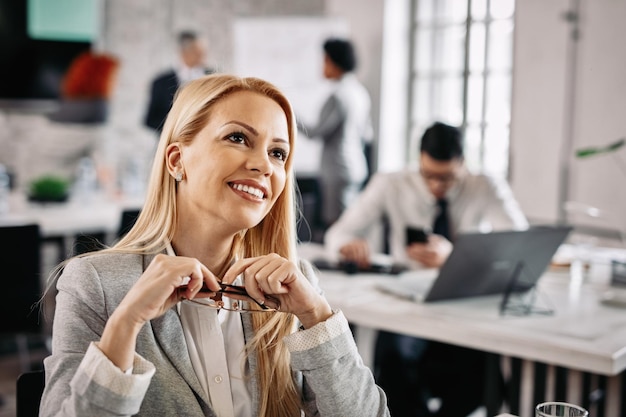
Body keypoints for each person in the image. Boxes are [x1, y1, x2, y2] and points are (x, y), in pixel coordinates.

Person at [40, 73, 390, 417]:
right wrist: (125, 323)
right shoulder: (94, 284)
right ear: (177, 160)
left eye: (278, 153)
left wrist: (316, 316)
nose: (263, 165)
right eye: (237, 137)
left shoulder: (297, 286)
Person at [324, 121, 529, 417]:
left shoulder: (484, 185)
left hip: (463, 299)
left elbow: (519, 248)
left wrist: (454, 257)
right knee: (394, 359)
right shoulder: (391, 183)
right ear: (418, 160)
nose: (436, 186)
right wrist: (348, 246)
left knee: (481, 369)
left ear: (463, 165)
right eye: (429, 175)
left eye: (447, 178)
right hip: (405, 299)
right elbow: (337, 235)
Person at [298, 37, 374, 230]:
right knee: (349, 223)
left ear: (334, 61)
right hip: (356, 166)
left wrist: (289, 115)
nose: (322, 66)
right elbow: (367, 134)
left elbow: (315, 132)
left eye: (325, 60)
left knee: (337, 226)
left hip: (338, 170)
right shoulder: (359, 92)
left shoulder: (338, 96)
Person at [144, 30, 215, 133]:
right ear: (184, 52)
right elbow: (150, 120)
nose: (203, 55)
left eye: (203, 51)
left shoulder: (214, 77)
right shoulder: (161, 82)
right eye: (198, 51)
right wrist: (178, 128)